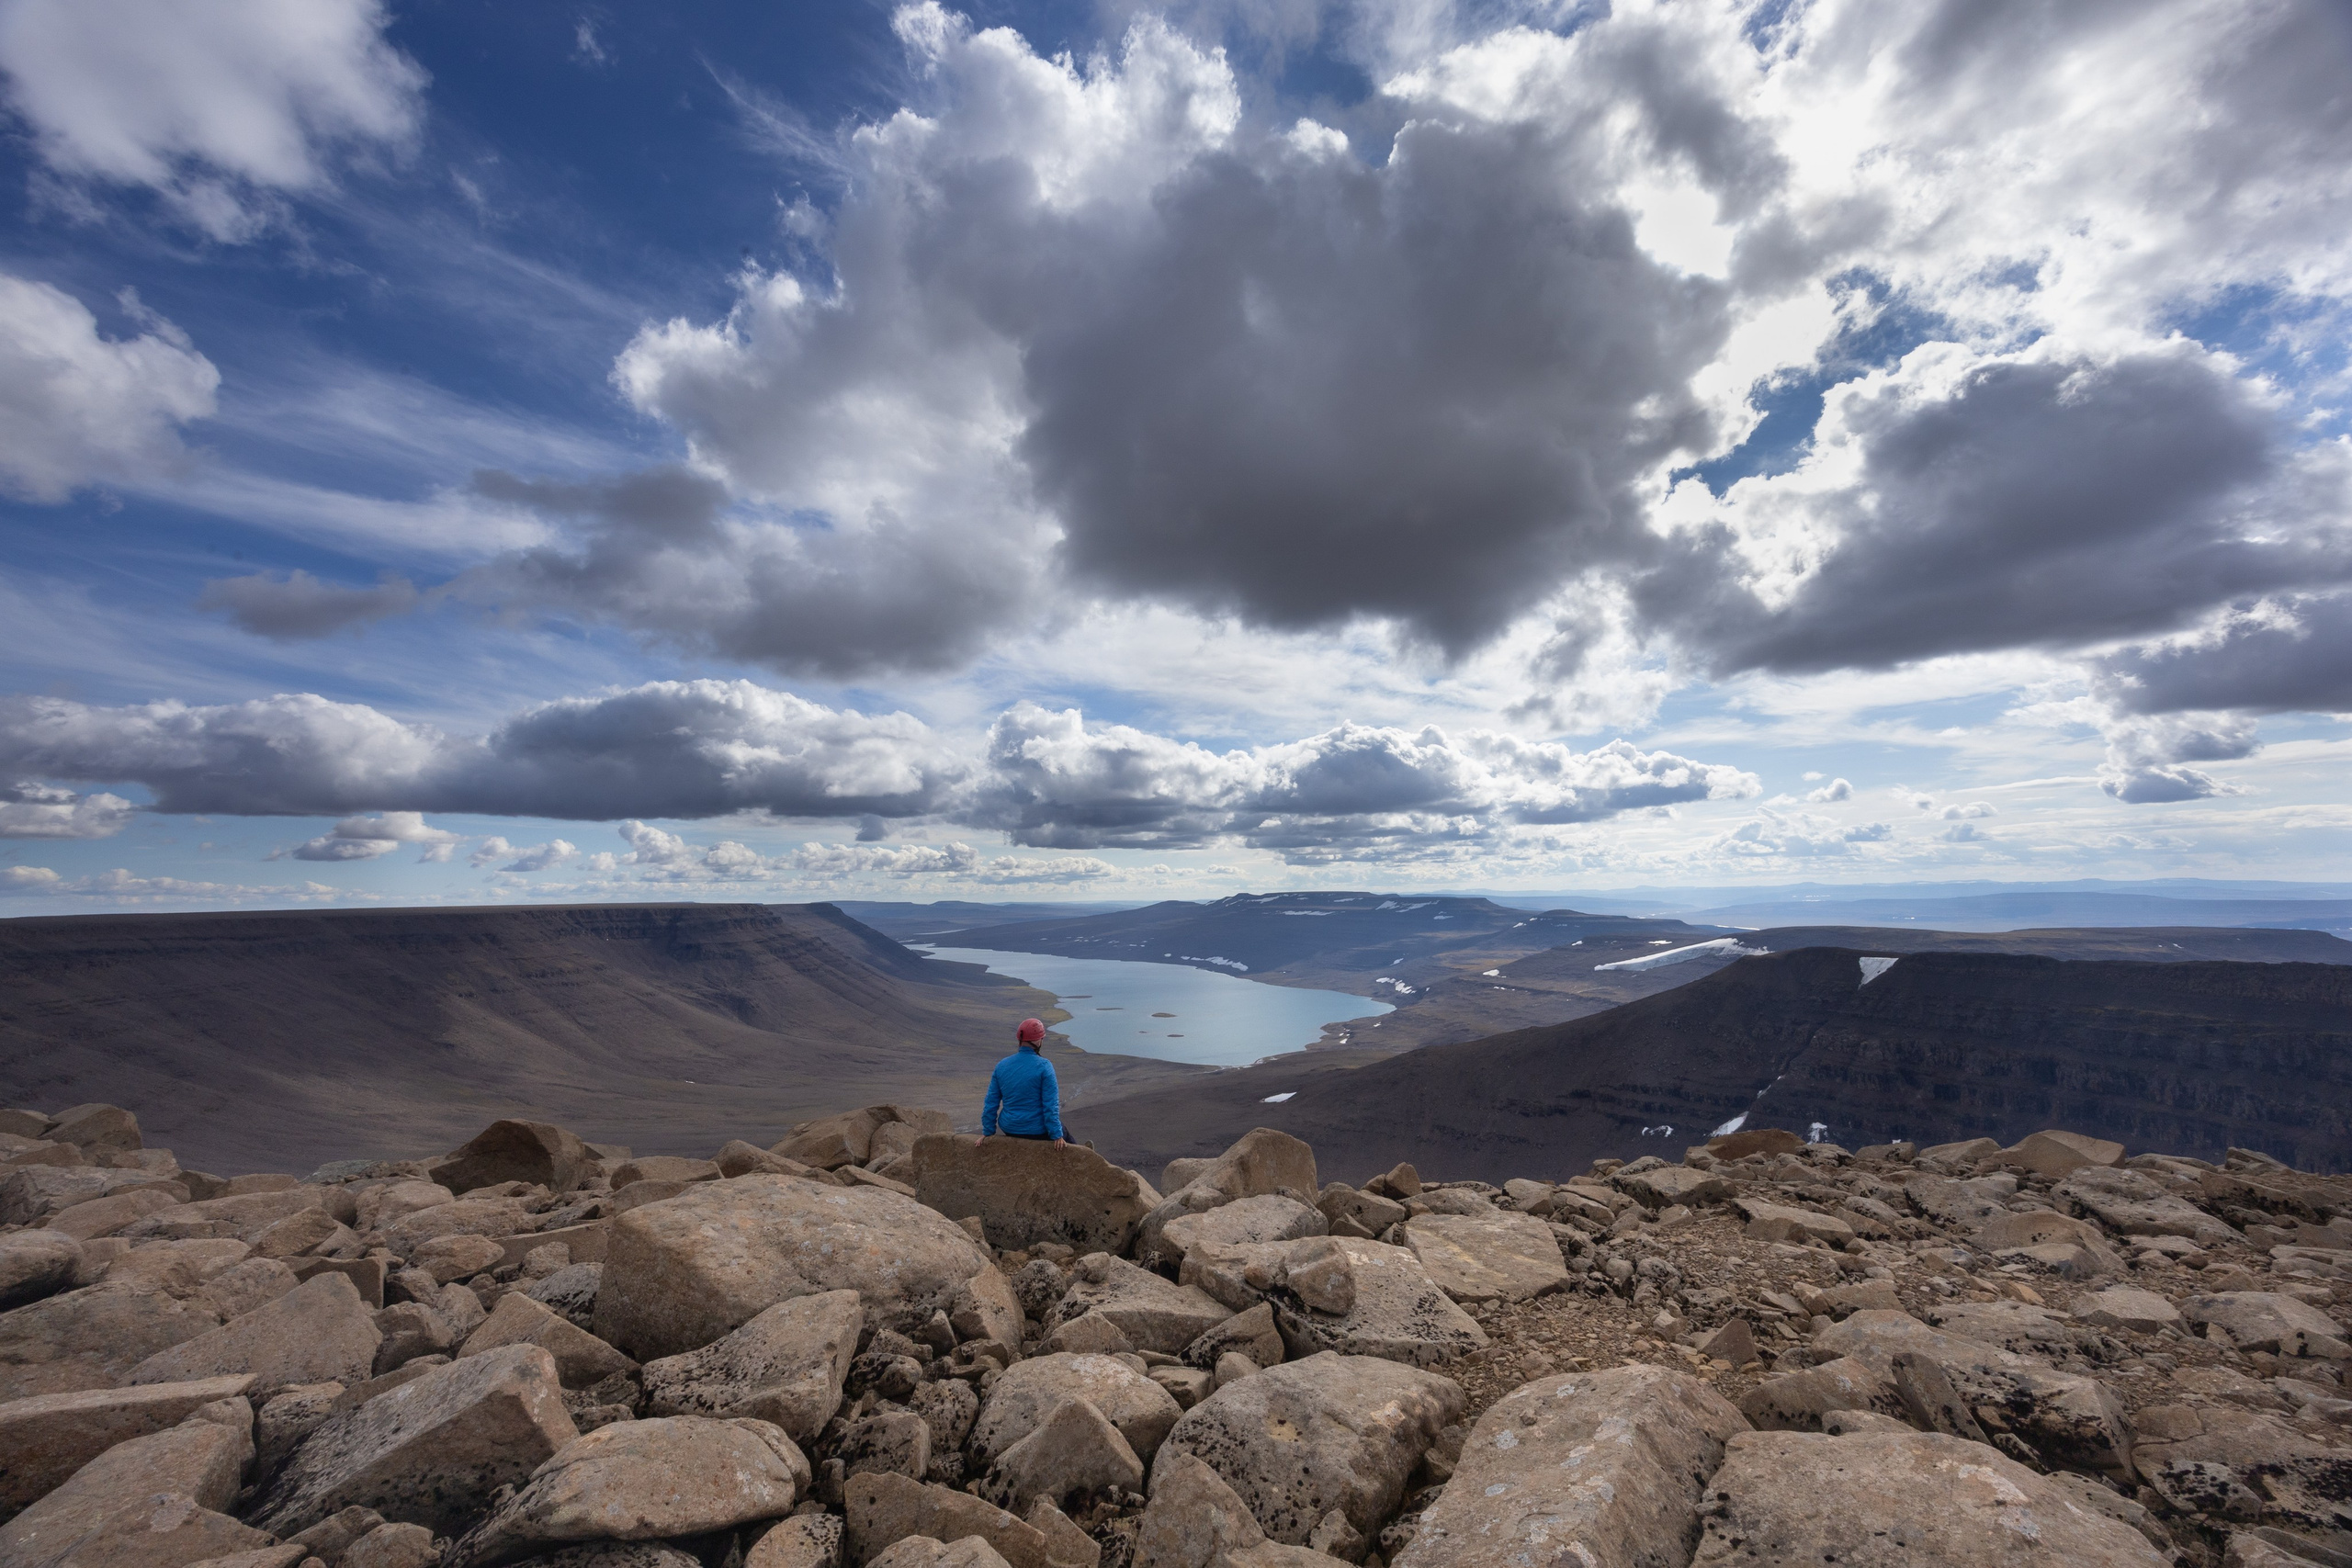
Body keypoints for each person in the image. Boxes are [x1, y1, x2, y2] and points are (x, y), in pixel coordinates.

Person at [978, 1018, 1074, 1145]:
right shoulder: (1045, 1066)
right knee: (1069, 1138)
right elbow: (1050, 1106)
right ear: (1039, 1041)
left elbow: (991, 1102)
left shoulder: (1002, 1065)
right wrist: (1056, 1135)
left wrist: (988, 1132)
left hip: (1010, 1127)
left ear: (1020, 1039)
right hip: (1038, 1130)